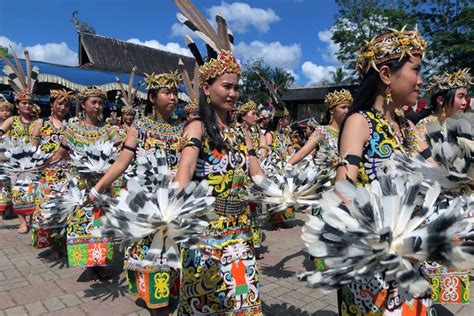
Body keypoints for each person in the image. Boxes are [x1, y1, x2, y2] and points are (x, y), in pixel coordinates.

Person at [335, 26, 432, 315]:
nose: (420, 81)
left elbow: (437, 177)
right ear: (387, 75)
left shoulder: (409, 128)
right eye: (415, 70)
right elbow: (343, 190)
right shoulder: (359, 122)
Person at [173, 0, 262, 313]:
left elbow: (257, 175)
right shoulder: (196, 127)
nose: (233, 94)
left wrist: (285, 191)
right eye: (227, 86)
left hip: (239, 228)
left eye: (236, 87)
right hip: (205, 229)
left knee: (242, 299)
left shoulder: (242, 131)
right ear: (207, 88)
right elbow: (184, 171)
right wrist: (171, 208)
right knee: (207, 301)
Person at [90, 71, 185, 310]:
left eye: (175, 93)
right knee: (148, 250)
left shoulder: (183, 127)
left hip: (174, 200)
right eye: (167, 93)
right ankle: (156, 300)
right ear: (152, 98)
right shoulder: (139, 126)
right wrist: (98, 188)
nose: (173, 98)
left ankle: (169, 293)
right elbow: (122, 162)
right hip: (145, 201)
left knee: (173, 249)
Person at [49, 87, 120, 278]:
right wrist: (41, 164)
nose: (98, 107)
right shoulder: (72, 129)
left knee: (101, 223)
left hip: (103, 186)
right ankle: (90, 262)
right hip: (80, 185)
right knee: (83, 222)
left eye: (101, 103)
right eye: (94, 102)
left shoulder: (109, 131)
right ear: (83, 105)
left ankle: (101, 262)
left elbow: (122, 156)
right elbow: (61, 154)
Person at [417, 68, 472, 306]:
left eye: (465, 96)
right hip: (430, 210)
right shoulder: (421, 128)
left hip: (456, 207)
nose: (465, 101)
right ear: (441, 99)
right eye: (460, 95)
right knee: (427, 282)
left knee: (447, 284)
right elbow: (432, 166)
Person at [0, 50, 42, 233]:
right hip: (15, 161)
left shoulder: (38, 122)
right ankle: (22, 222)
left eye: (29, 103)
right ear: (17, 105)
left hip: (33, 161)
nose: (27, 106)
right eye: (24, 103)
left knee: (33, 190)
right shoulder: (12, 120)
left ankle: (31, 219)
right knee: (19, 192)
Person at [30, 89, 73, 250]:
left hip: (67, 173)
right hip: (47, 173)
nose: (63, 107)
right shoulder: (41, 123)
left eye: (67, 105)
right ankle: (53, 246)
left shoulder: (72, 125)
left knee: (64, 209)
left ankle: (62, 243)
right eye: (60, 103)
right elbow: (33, 147)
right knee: (47, 208)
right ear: (52, 104)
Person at [289, 89, 352, 169]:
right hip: (324, 179)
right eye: (343, 107)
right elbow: (303, 152)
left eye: (349, 108)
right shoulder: (322, 131)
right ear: (332, 110)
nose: (347, 111)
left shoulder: (348, 133)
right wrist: (288, 166)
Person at [236, 99, 267, 259]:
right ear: (243, 116)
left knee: (256, 212)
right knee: (244, 212)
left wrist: (263, 149)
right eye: (253, 114)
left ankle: (255, 246)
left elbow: (264, 144)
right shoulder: (235, 131)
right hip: (242, 179)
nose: (256, 117)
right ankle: (245, 246)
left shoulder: (256, 132)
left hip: (256, 176)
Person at [264, 106, 295, 229]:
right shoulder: (269, 134)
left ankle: (283, 219)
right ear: (280, 121)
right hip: (273, 167)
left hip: (284, 168)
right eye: (286, 119)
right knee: (275, 194)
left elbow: (290, 149)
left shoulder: (284, 134)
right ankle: (275, 222)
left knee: (286, 193)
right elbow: (267, 150)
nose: (288, 121)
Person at [0, 98, 14, 218]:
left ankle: (6, 208)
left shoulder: (14, 128)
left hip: (9, 161)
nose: (6, 113)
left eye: (8, 111)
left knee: (7, 185)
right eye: (2, 110)